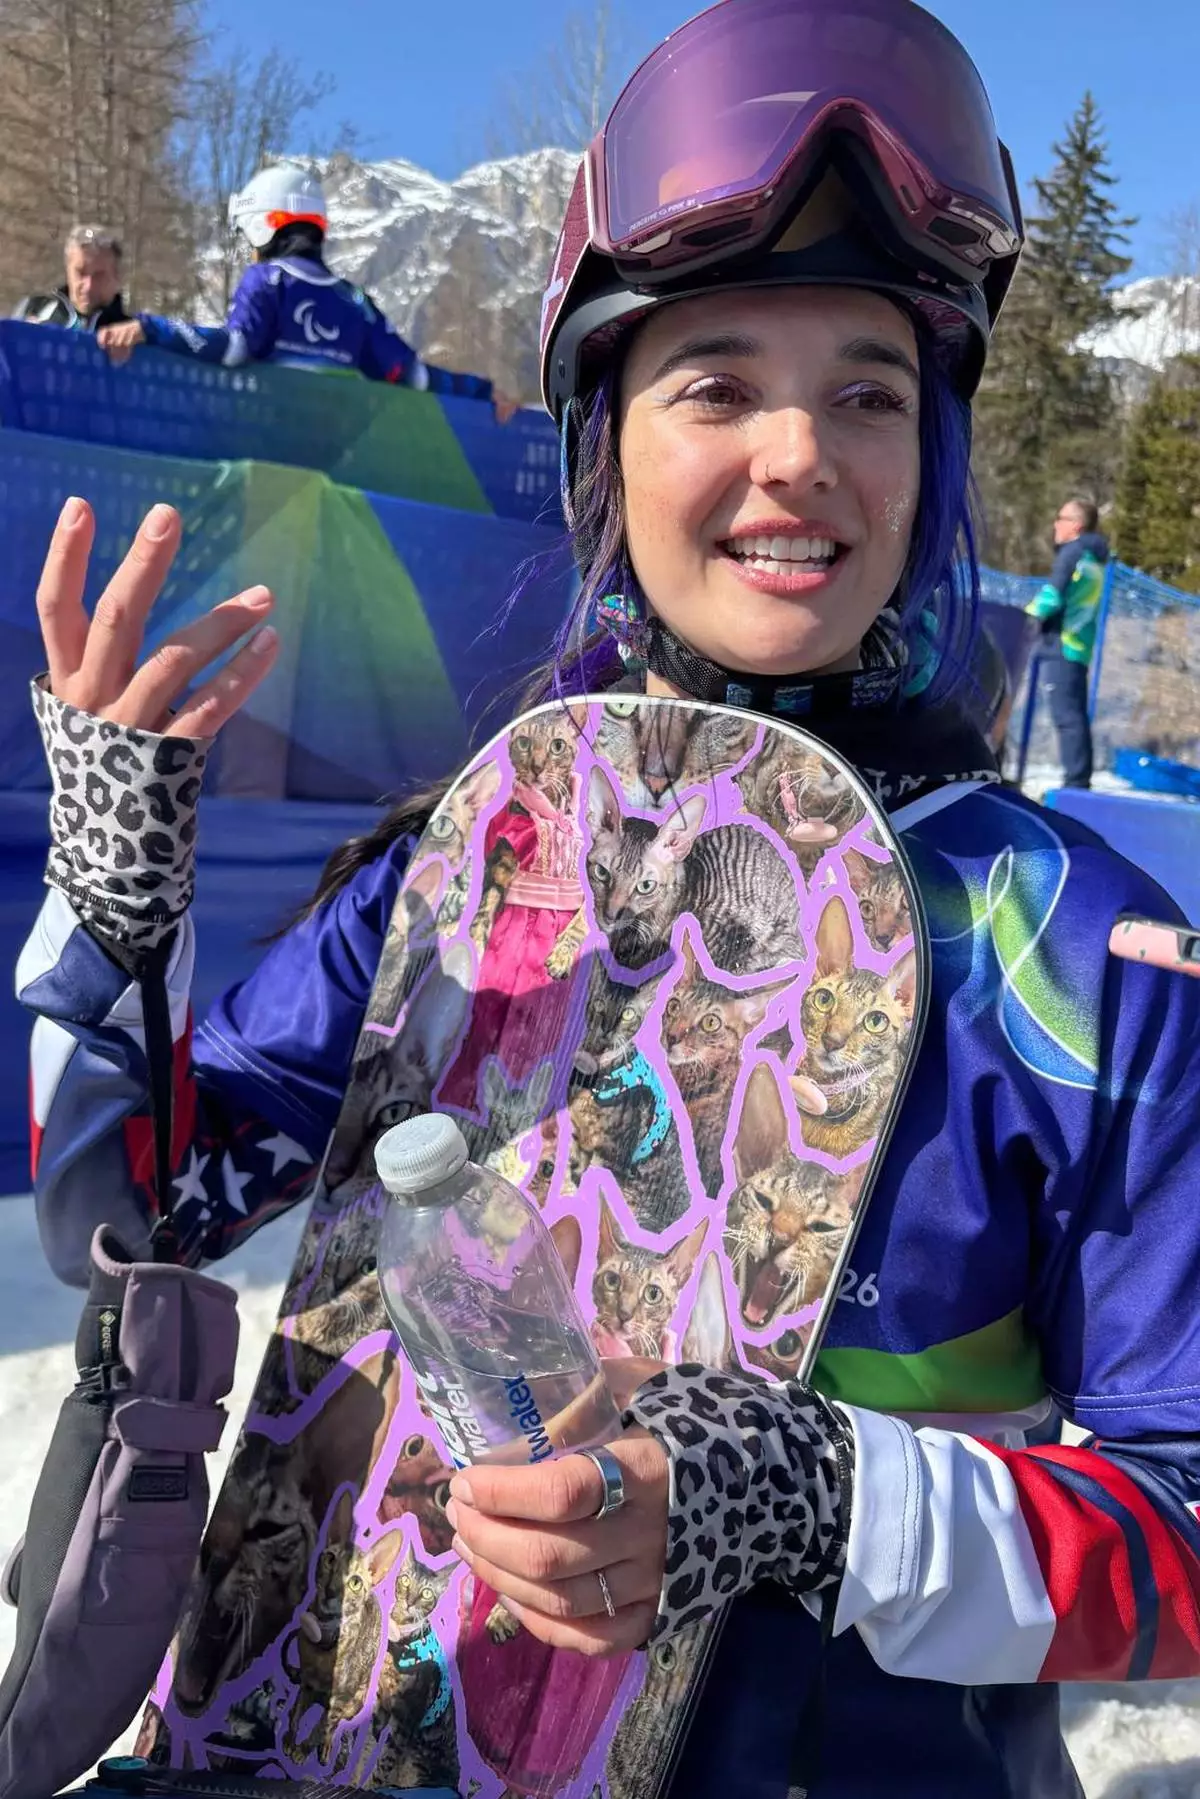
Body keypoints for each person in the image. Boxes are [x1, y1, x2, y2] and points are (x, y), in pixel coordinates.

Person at [18, 3, 1200, 1794]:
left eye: (868, 390)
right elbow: (146, 1202)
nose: (800, 455)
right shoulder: (484, 860)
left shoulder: (1089, 958)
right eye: (717, 381)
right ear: (609, 447)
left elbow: (1182, 1524)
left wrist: (815, 1492)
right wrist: (114, 904)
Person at [96, 164, 514, 414]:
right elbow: (412, 376)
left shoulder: (267, 281)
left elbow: (236, 348)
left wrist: (151, 328)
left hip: (269, 452)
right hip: (341, 466)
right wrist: (484, 393)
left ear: (265, 224)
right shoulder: (355, 301)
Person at [1025, 496, 1110, 788]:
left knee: (1066, 717)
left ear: (1075, 525)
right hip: (1080, 647)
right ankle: (1079, 781)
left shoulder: (1072, 554)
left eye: (1060, 518)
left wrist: (1022, 621)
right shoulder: (1094, 558)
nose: (1055, 524)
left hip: (1061, 646)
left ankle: (1075, 785)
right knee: (1075, 715)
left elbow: (1051, 597)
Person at [12, 224, 133, 332]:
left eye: (99, 275)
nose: (88, 286)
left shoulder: (132, 334)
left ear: (116, 276)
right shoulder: (35, 311)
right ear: (68, 271)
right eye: (80, 273)